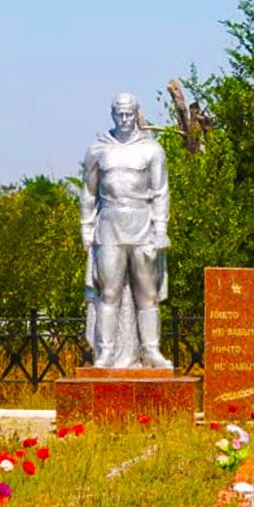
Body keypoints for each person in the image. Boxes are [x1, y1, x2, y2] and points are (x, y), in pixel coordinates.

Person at [80, 93, 172, 368]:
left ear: (136, 114)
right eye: (119, 113)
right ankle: (106, 352)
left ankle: (151, 350)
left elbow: (161, 192)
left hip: (142, 224)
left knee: (147, 294)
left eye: (129, 113)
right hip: (109, 225)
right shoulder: (98, 149)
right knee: (109, 293)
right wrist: (86, 228)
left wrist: (161, 229)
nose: (124, 119)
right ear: (112, 114)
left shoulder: (152, 150)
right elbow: (88, 192)